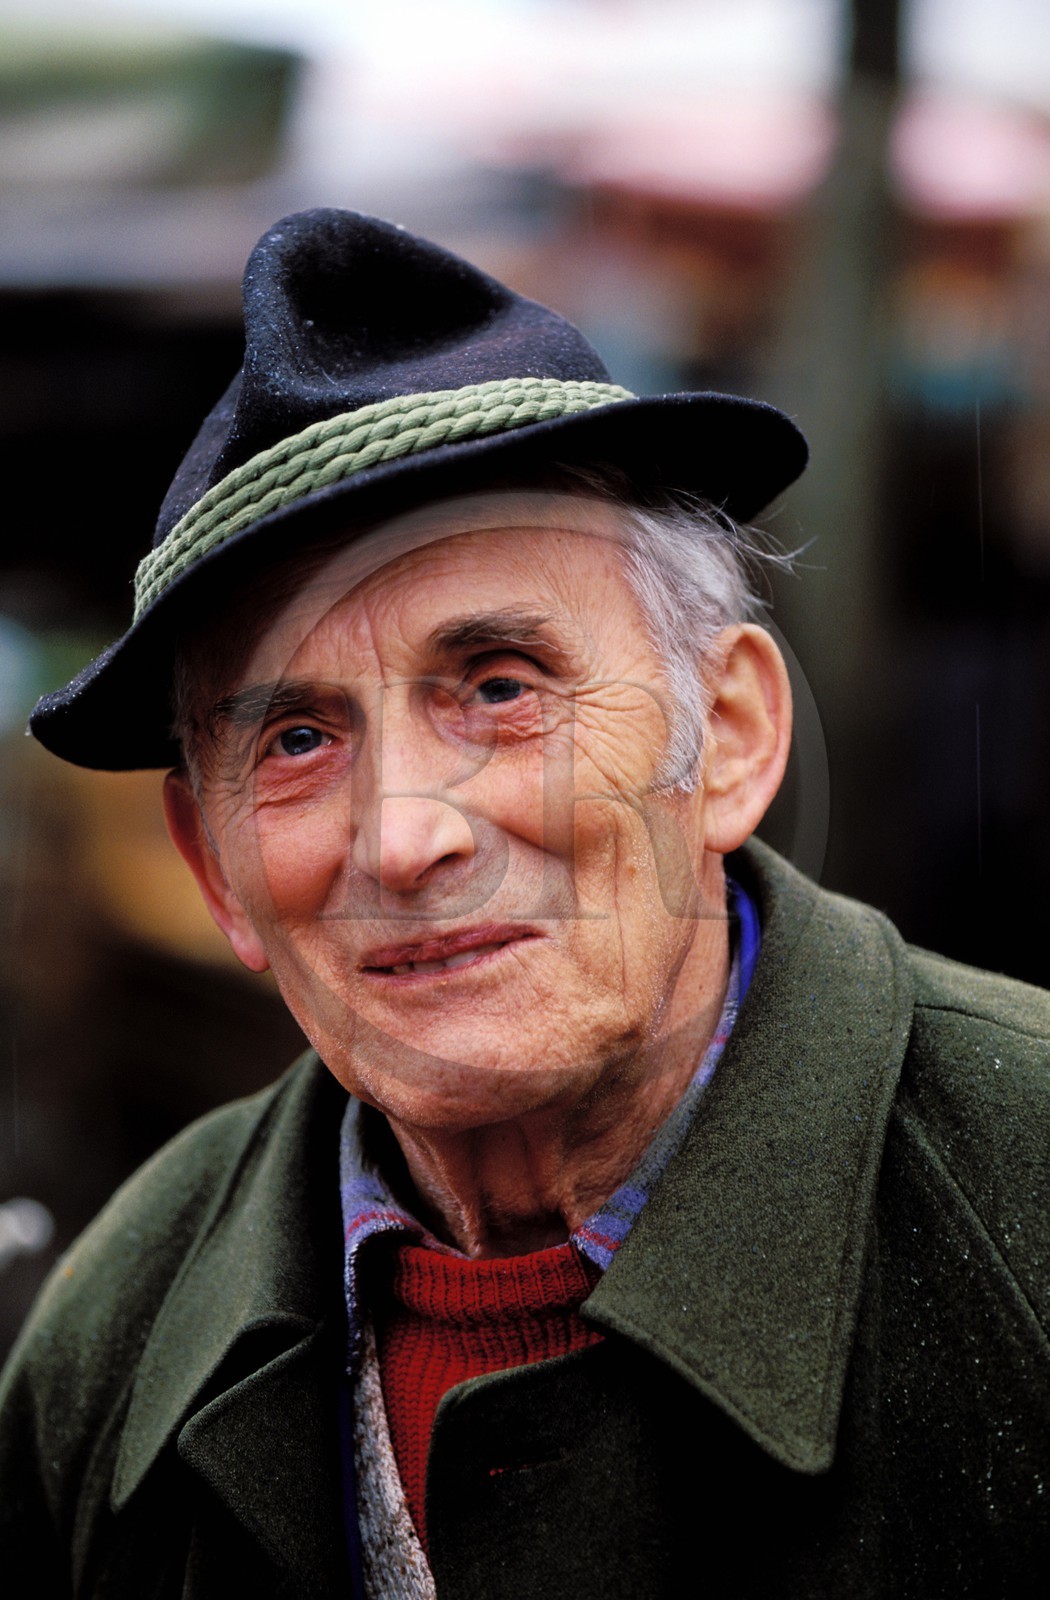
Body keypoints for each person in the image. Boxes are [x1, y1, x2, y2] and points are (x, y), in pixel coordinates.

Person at [1, 209, 1046, 1599]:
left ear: (725, 738)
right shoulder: (113, 1334)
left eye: (500, 688)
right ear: (213, 868)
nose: (409, 837)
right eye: (295, 741)